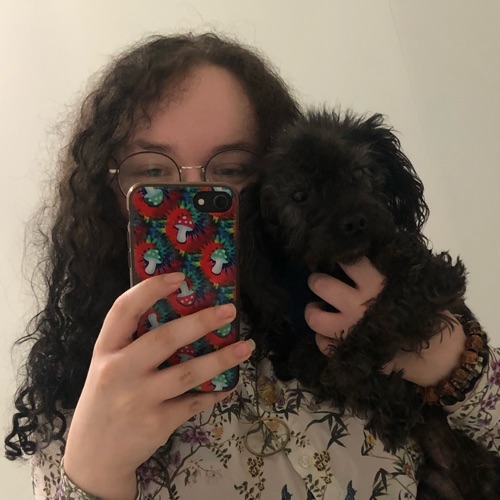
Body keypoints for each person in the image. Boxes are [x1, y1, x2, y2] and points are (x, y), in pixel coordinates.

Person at [4, 33, 500, 499]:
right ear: (104, 190)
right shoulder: (78, 393)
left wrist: (457, 366)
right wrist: (93, 475)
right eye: (153, 170)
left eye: (231, 169)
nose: (195, 197)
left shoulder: (368, 287)